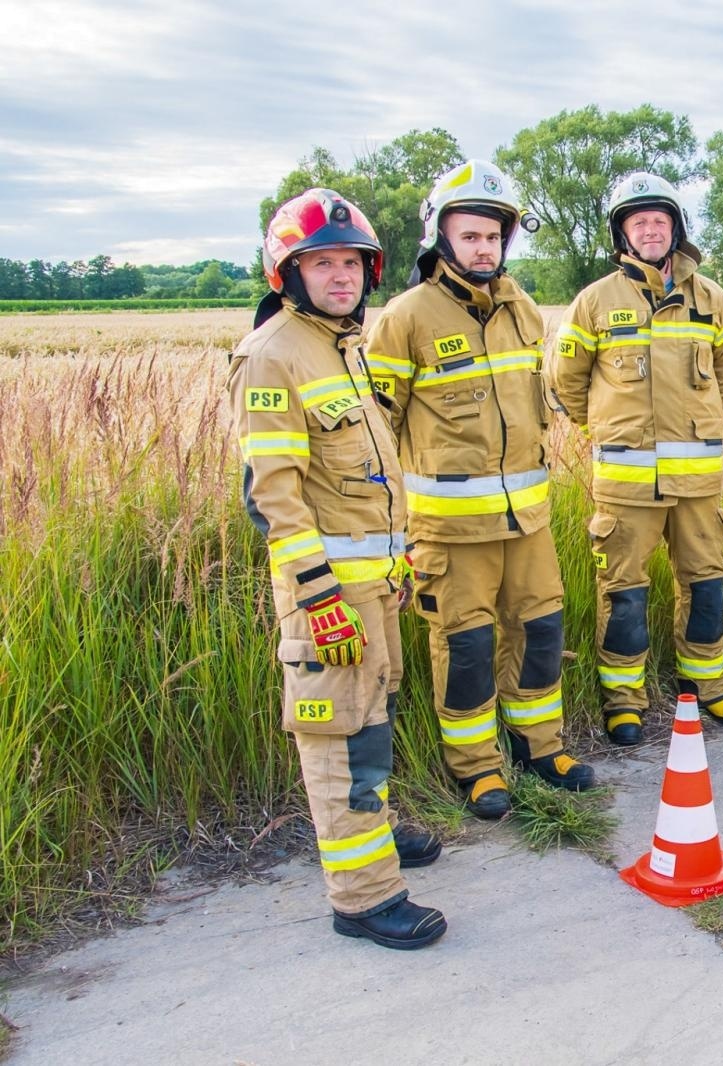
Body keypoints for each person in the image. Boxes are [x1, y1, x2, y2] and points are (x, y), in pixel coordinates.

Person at [228, 189, 445, 949]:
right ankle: (362, 897)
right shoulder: (273, 355)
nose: (341, 275)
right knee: (340, 738)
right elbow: (274, 498)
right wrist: (319, 597)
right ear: (289, 273)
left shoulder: (342, 346)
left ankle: (376, 830)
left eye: (351, 262)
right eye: (322, 263)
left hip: (373, 585)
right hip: (327, 594)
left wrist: (398, 557)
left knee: (375, 717)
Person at [365, 159, 592, 818]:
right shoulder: (405, 318)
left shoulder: (522, 308)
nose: (483, 248)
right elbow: (377, 433)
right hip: (450, 531)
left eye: (493, 236)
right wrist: (388, 528)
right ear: (441, 237)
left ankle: (539, 747)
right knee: (465, 647)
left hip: (528, 522)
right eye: (469, 236)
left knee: (540, 631)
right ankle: (477, 768)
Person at [550, 172, 723, 743]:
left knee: (706, 585)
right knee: (624, 593)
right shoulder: (595, 301)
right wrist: (607, 429)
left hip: (698, 482)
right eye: (638, 222)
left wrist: (693, 421)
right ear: (623, 233)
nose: (650, 230)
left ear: (676, 227)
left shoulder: (710, 298)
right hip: (626, 482)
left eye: (659, 220)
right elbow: (566, 381)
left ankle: (707, 685)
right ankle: (624, 701)